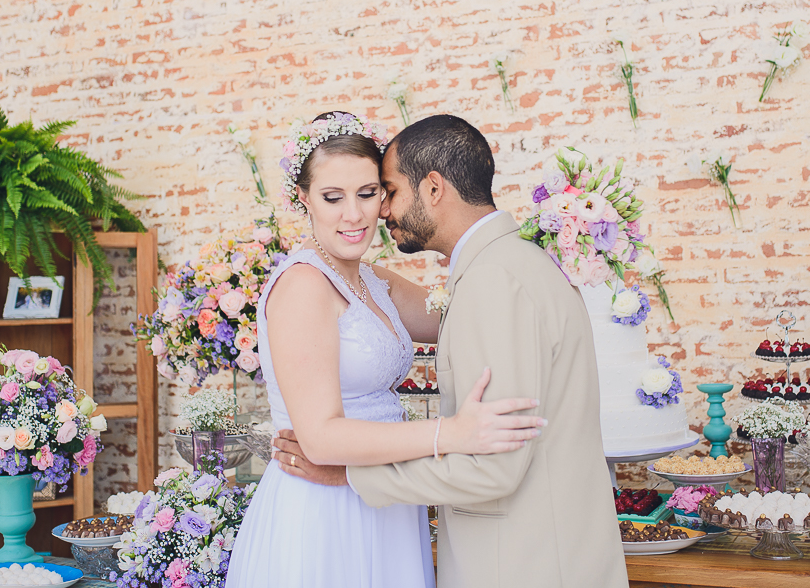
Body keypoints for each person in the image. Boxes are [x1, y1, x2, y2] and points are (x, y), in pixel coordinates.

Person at [273, 115, 628, 588]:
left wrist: (355, 477)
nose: (374, 212)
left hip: (522, 560)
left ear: (433, 189)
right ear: (306, 198)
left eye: (382, 192)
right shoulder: (516, 262)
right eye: (333, 197)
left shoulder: (491, 280)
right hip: (334, 518)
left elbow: (494, 466)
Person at [225, 112, 546, 588]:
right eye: (332, 197)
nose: (353, 215)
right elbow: (321, 439)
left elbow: (469, 314)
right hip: (323, 506)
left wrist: (535, 259)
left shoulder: (375, 281)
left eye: (368, 193)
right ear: (304, 199)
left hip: (388, 500)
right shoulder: (303, 286)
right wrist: (450, 434)